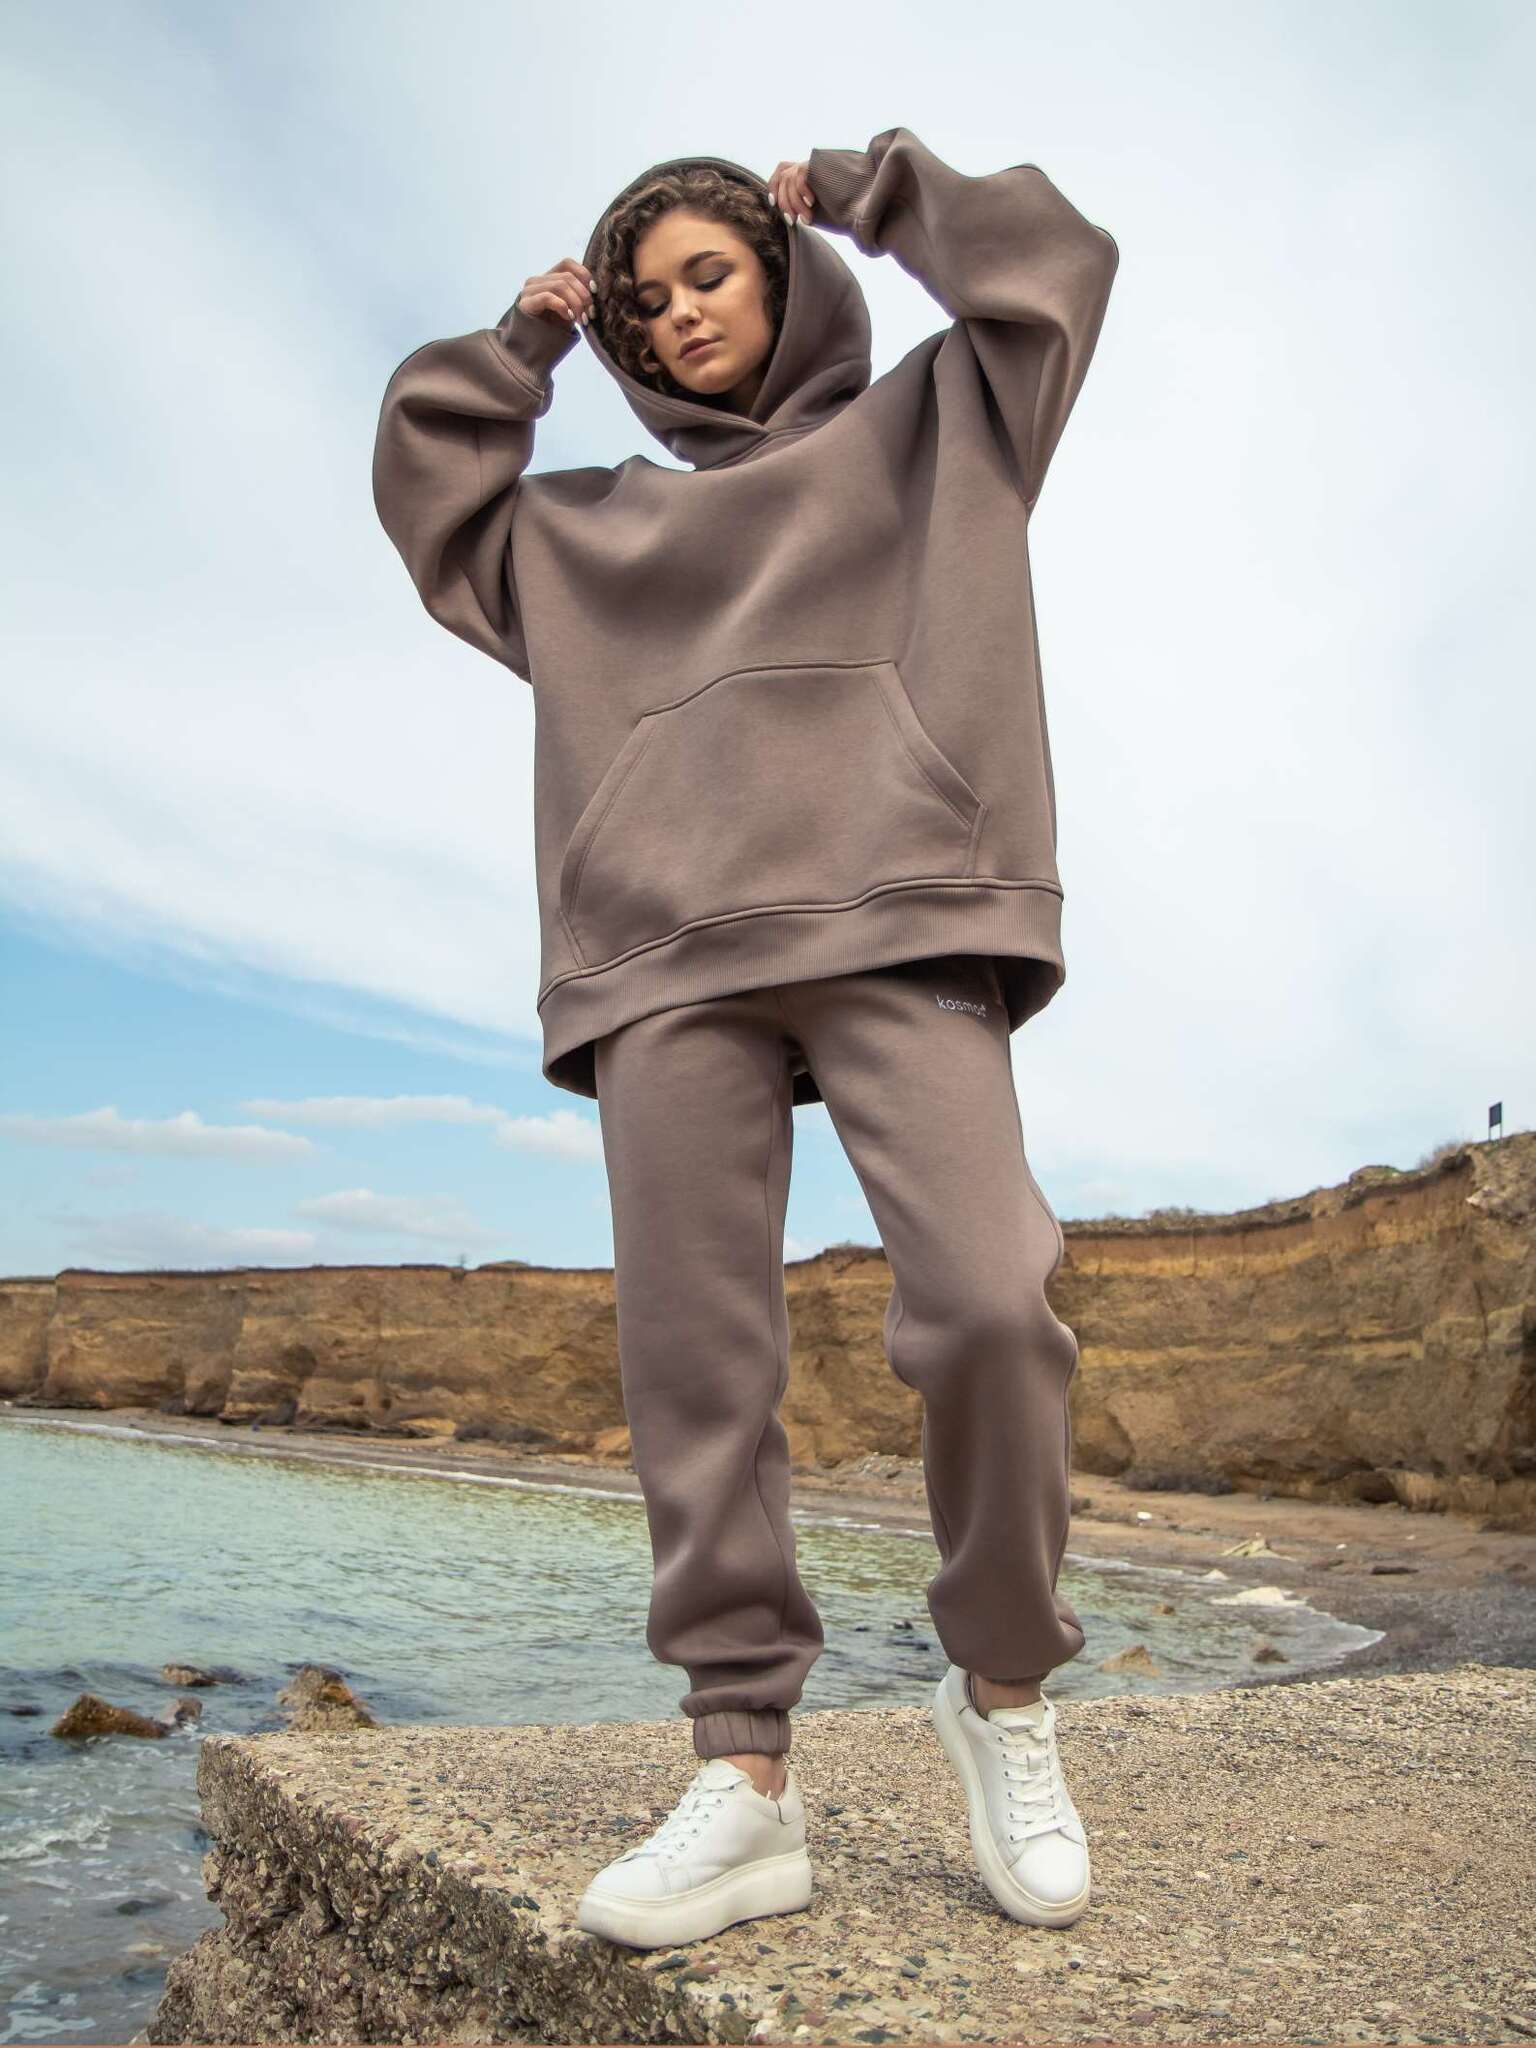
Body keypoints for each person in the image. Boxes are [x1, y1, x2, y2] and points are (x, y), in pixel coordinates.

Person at [372, 127, 1117, 1949]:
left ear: (782, 275)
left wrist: (874, 187)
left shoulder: (945, 426)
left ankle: (1003, 1694)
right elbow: (432, 490)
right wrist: (523, 347)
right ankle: (746, 1774)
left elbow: (1055, 265)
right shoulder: (582, 535)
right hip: (660, 953)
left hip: (904, 908)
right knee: (695, 1366)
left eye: (706, 274)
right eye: (639, 306)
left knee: (991, 1301)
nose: (676, 316)